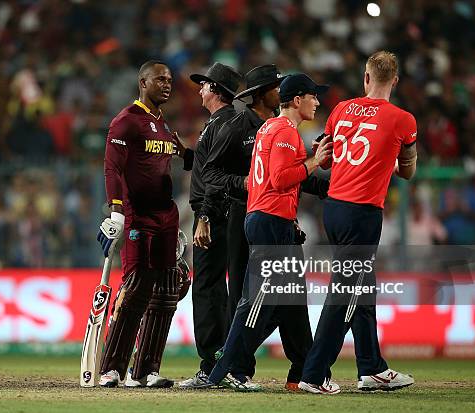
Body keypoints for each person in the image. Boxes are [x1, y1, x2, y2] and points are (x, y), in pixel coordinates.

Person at [192, 73, 334, 391]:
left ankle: (300, 371)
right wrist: (314, 163)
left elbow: (287, 176)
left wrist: (322, 178)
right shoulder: (266, 128)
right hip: (261, 219)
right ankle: (228, 368)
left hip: (265, 216)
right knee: (255, 301)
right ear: (292, 99)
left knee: (283, 299)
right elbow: (279, 179)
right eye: (312, 96)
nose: (317, 102)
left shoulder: (268, 128)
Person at [298, 51, 417, 394]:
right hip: (363, 213)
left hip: (333, 208)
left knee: (362, 288)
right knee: (344, 293)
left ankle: (371, 368)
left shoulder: (340, 110)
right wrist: (396, 162)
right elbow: (407, 172)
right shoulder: (403, 120)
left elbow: (326, 159)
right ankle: (314, 373)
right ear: (395, 80)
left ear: (366, 78)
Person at [96, 60, 192, 388]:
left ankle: (146, 370)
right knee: (136, 288)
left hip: (166, 218)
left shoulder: (163, 124)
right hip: (138, 216)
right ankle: (112, 368)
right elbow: (112, 168)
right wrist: (116, 210)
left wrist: (185, 152)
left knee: (166, 292)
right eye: (160, 79)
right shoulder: (127, 121)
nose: (167, 84)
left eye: (169, 80)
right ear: (143, 82)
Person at [179, 63, 242, 387]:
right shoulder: (227, 122)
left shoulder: (221, 124)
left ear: (216, 90)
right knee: (222, 289)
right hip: (223, 214)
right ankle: (229, 362)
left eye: (204, 85)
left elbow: (213, 178)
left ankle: (211, 365)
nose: (200, 90)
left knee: (206, 288)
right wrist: (188, 155)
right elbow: (211, 166)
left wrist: (203, 216)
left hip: (213, 216)